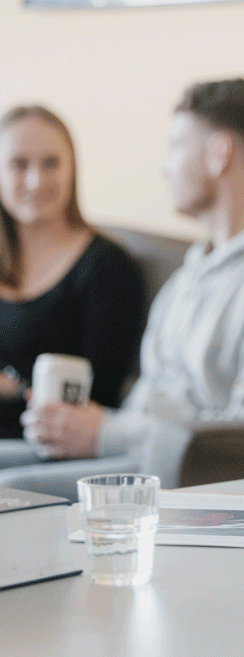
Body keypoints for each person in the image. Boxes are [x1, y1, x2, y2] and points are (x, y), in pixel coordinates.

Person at [18, 78, 244, 462]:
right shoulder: (188, 277)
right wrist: (78, 428)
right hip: (136, 463)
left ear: (219, 154)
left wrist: (107, 434)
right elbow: (147, 403)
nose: (165, 168)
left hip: (204, 483)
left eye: (176, 146)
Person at [0, 105, 145, 440]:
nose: (36, 180)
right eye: (19, 164)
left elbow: (99, 399)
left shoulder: (107, 268)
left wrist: (15, 391)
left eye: (51, 163)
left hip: (37, 449)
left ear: (72, 170)